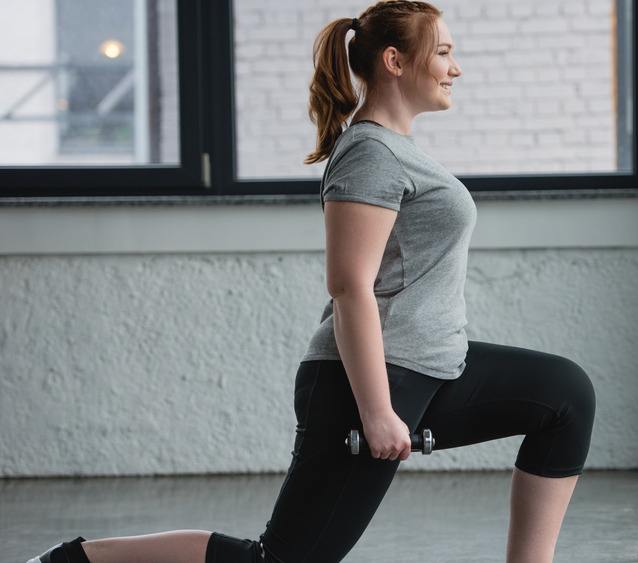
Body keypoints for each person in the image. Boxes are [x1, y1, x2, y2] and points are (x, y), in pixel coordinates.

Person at [27, 1, 595, 562]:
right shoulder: (370, 153)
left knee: (564, 395)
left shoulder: (397, 150)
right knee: (278, 561)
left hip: (432, 366)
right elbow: (350, 285)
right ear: (395, 61)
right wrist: (375, 411)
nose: (456, 67)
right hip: (375, 378)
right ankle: (79, 560)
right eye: (443, 52)